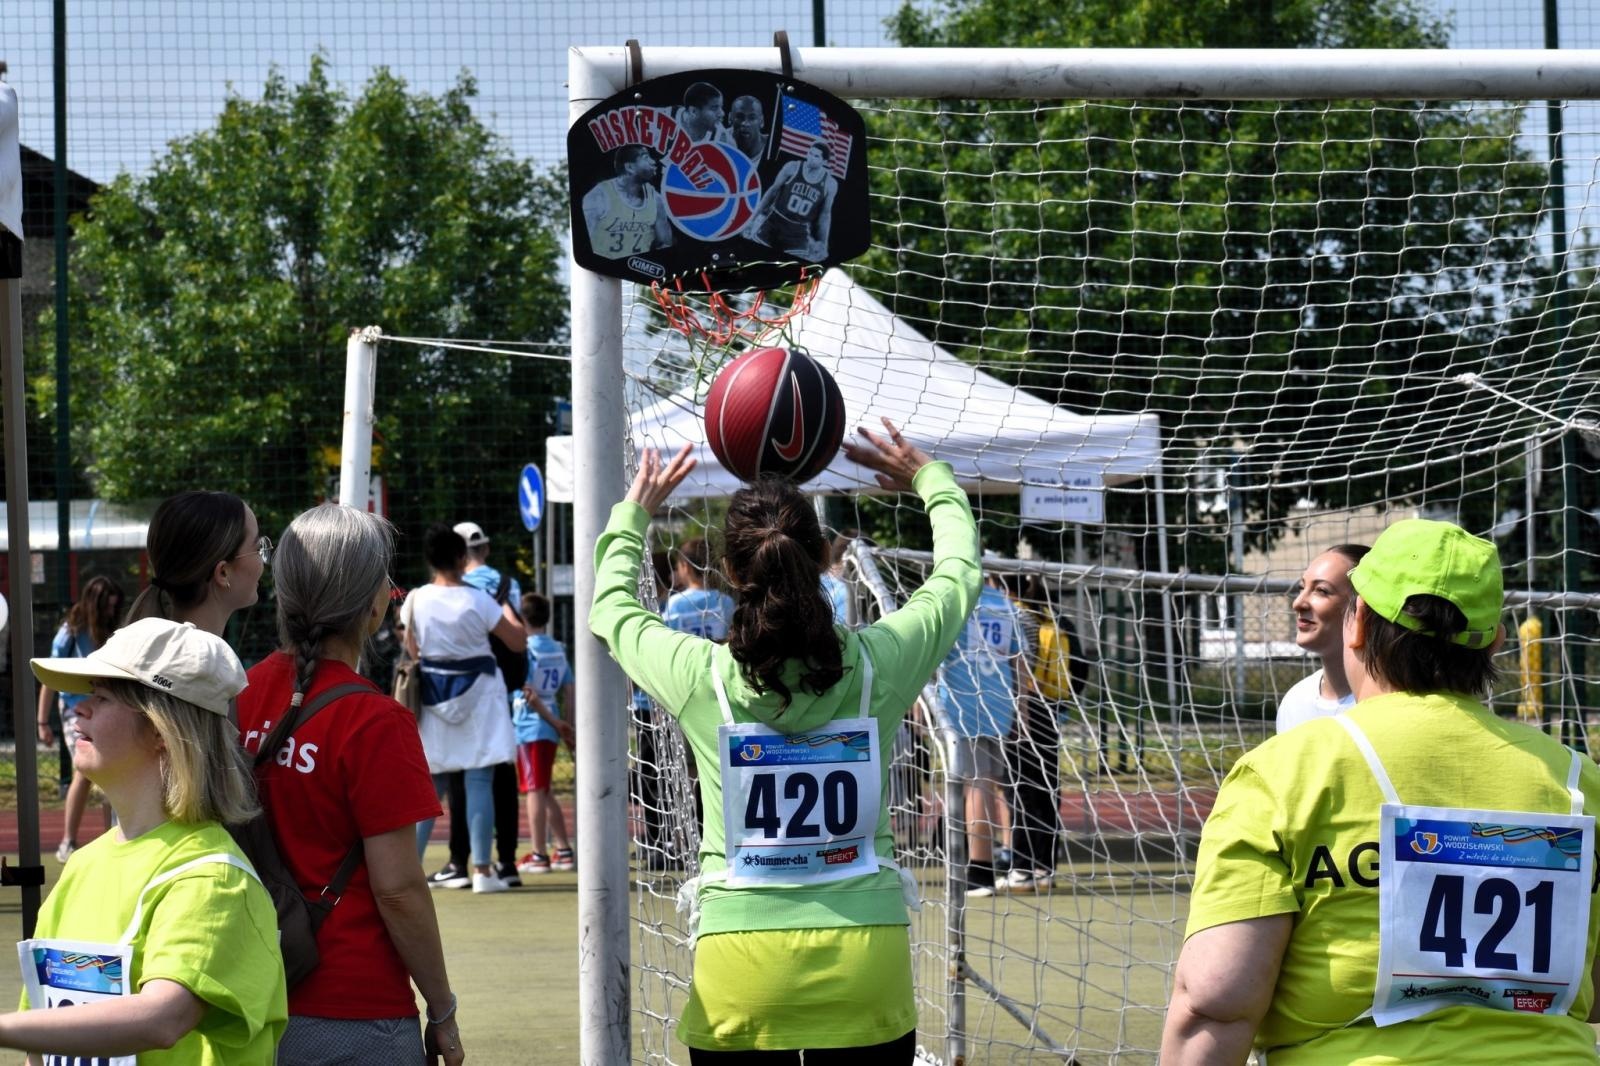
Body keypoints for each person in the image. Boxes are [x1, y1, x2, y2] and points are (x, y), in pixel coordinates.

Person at [590, 418, 980, 1060]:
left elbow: (612, 611)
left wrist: (634, 516)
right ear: (825, 557)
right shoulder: (880, 665)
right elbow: (957, 576)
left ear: (728, 568)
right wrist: (932, 482)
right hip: (866, 958)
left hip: (740, 965)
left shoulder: (701, 677)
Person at [1163, 519, 1600, 1065]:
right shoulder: (1580, 781)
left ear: (1358, 623)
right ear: (1496, 640)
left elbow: (1215, 999)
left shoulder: (1282, 773)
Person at [237, 503, 462, 1066]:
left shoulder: (237, 694)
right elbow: (398, 890)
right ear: (372, 605)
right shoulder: (376, 721)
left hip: (248, 994)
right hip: (353, 1007)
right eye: (389, 583)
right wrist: (442, 1009)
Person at [14, 618, 286, 1061]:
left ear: (161, 730)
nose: (80, 708)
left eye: (101, 696)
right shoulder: (83, 866)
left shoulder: (214, 879)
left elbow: (163, 1018)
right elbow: (43, 1036)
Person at [405, 524, 526, 894]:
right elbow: (518, 642)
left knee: (430, 787)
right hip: (481, 697)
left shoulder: (416, 599)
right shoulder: (479, 599)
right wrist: (505, 605)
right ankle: (484, 872)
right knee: (479, 781)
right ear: (462, 559)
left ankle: (408, 872)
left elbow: (411, 650)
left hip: (435, 696)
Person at [938, 571, 1024, 897]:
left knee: (976, 785)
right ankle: (1005, 856)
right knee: (991, 783)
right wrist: (1022, 708)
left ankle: (979, 871)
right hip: (999, 703)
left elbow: (934, 652)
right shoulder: (1002, 602)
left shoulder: (956, 599)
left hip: (963, 703)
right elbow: (1019, 660)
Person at [455, 520, 526, 888]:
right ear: (485, 548)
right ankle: (508, 863)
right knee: (502, 777)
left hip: (462, 689)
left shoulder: (455, 588)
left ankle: (461, 861)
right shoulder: (506, 584)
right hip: (501, 690)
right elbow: (518, 638)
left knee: (463, 777)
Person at [35, 575, 125, 863]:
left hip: (106, 707)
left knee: (111, 769)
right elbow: (50, 678)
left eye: (115, 607)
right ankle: (67, 842)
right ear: (94, 605)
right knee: (84, 772)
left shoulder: (114, 631)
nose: (112, 612)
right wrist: (42, 722)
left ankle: (115, 837)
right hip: (75, 709)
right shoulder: (70, 632)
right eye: (107, 607)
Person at [125, 489, 269, 637]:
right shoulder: (209, 657)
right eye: (258, 548)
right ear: (223, 572)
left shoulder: (130, 646)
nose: (263, 560)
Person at [1276, 543, 1370, 734]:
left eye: (1322, 590)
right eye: (1302, 588)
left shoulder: (1387, 704)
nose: (1298, 603)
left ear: (1362, 607)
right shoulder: (1295, 702)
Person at [513, 591, 576, 875]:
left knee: (534, 791)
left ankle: (539, 853)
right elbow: (570, 689)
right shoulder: (557, 648)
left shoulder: (525, 650)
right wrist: (567, 724)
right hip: (550, 724)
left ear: (522, 617)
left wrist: (555, 722)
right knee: (544, 788)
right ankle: (563, 848)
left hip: (532, 724)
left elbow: (529, 694)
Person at [746, 141, 838, 260]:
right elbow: (772, 192)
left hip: (798, 231)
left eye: (816, 156)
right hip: (774, 221)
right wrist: (752, 218)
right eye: (810, 153)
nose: (811, 158)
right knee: (755, 257)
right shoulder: (793, 167)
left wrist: (823, 243)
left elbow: (825, 214)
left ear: (824, 162)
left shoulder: (830, 183)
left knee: (793, 267)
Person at [582, 145, 673, 260]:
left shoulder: (656, 199)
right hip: (602, 270)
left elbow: (665, 244)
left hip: (636, 273)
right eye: (646, 157)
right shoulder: (599, 196)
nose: (653, 162)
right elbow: (583, 243)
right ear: (630, 167)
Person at [664, 537, 735, 641]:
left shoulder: (676, 603)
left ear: (685, 566)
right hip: (717, 655)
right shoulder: (726, 601)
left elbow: (670, 639)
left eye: (677, 567)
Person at [729, 94, 767, 160]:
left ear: (762, 121)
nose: (745, 123)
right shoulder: (718, 140)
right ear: (729, 118)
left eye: (752, 118)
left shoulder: (771, 148)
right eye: (740, 117)